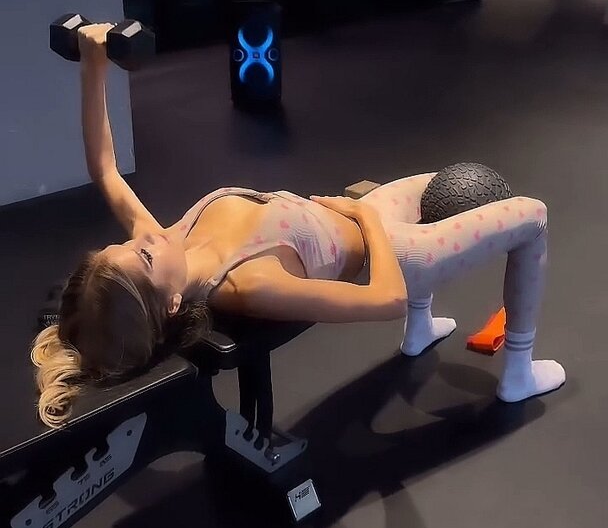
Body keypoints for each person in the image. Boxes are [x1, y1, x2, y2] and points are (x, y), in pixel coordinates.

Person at [32, 24, 565, 427]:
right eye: (144, 254)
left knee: (436, 182)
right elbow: (388, 299)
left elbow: (104, 168)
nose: (145, 236)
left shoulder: (171, 243)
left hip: (368, 215)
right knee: (533, 214)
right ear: (171, 304)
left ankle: (422, 332)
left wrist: (93, 64)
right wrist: (363, 216)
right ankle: (519, 371)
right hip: (398, 253)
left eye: (123, 243)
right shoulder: (250, 283)